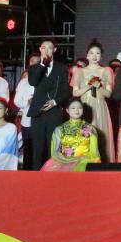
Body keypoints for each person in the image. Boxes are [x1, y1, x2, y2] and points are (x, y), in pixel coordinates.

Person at [27, 39, 72, 170]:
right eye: (44, 47)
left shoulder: (61, 68)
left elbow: (66, 90)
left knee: (54, 146)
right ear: (40, 49)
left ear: (54, 50)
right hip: (38, 112)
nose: (47, 50)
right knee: (38, 148)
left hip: (54, 111)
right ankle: (37, 175)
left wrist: (55, 101)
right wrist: (42, 64)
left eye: (50, 48)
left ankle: (53, 175)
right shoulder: (34, 68)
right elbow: (33, 82)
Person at [73, 40, 115, 163]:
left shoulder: (106, 71)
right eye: (92, 53)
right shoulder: (80, 72)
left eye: (97, 53)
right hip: (85, 107)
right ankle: (85, 164)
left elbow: (108, 94)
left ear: (101, 56)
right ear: (87, 55)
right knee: (85, 136)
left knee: (102, 135)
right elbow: (75, 93)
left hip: (100, 106)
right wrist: (88, 86)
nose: (94, 56)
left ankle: (103, 164)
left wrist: (99, 87)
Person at [42, 99, 101, 171]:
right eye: (73, 108)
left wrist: (81, 159)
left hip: (84, 161)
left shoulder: (91, 129)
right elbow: (55, 153)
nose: (77, 110)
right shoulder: (59, 129)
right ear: (67, 110)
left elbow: (95, 152)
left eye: (80, 108)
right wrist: (70, 160)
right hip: (63, 161)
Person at [13, 53, 40, 170]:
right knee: (28, 150)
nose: (34, 64)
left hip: (43, 120)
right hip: (27, 120)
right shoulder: (24, 82)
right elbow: (16, 101)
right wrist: (27, 102)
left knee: (41, 150)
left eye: (37, 61)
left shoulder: (47, 80)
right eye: (32, 61)